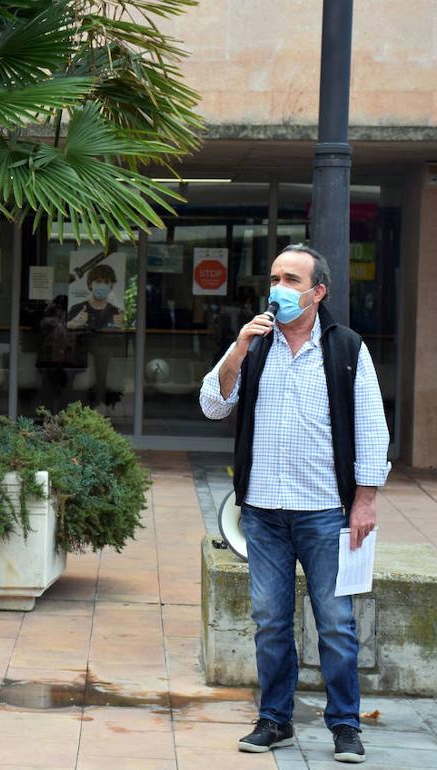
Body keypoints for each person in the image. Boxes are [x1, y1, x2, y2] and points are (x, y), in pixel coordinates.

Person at [200, 244, 390, 764]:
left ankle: (345, 725)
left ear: (317, 292)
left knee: (336, 623)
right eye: (274, 278)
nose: (278, 289)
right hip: (262, 512)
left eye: (291, 280)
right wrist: (238, 348)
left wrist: (365, 501)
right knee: (270, 621)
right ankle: (274, 719)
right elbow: (213, 405)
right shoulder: (254, 342)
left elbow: (372, 428)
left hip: (325, 510)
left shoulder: (346, 347)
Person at [66, 264, 122, 330]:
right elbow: (64, 331)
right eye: (98, 281)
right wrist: (73, 323)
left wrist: (122, 326)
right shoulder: (77, 309)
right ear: (90, 284)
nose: (102, 286)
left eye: (106, 282)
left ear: (111, 286)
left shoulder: (116, 313)